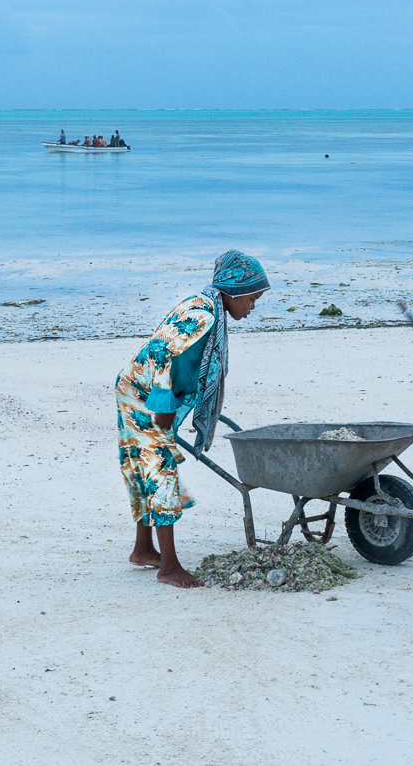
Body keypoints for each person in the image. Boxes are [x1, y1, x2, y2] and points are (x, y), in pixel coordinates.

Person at [115, 250, 270, 587]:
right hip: (145, 395)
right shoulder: (203, 316)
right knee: (160, 470)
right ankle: (168, 568)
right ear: (235, 291)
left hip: (136, 386)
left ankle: (143, 549)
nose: (253, 306)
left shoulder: (206, 305)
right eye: (253, 298)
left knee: (144, 466)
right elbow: (161, 352)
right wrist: (163, 409)